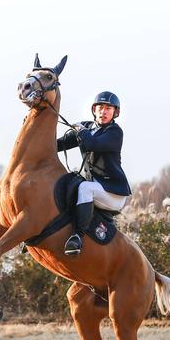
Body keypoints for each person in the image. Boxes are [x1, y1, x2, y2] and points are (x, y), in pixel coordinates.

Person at [57, 91, 131, 255]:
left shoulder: (115, 132)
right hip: (97, 189)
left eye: (108, 109)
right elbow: (59, 145)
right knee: (69, 182)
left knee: (84, 188)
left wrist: (80, 130)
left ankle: (77, 236)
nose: (103, 112)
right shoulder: (88, 128)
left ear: (115, 112)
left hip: (114, 194)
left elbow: (92, 144)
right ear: (94, 110)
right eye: (100, 107)